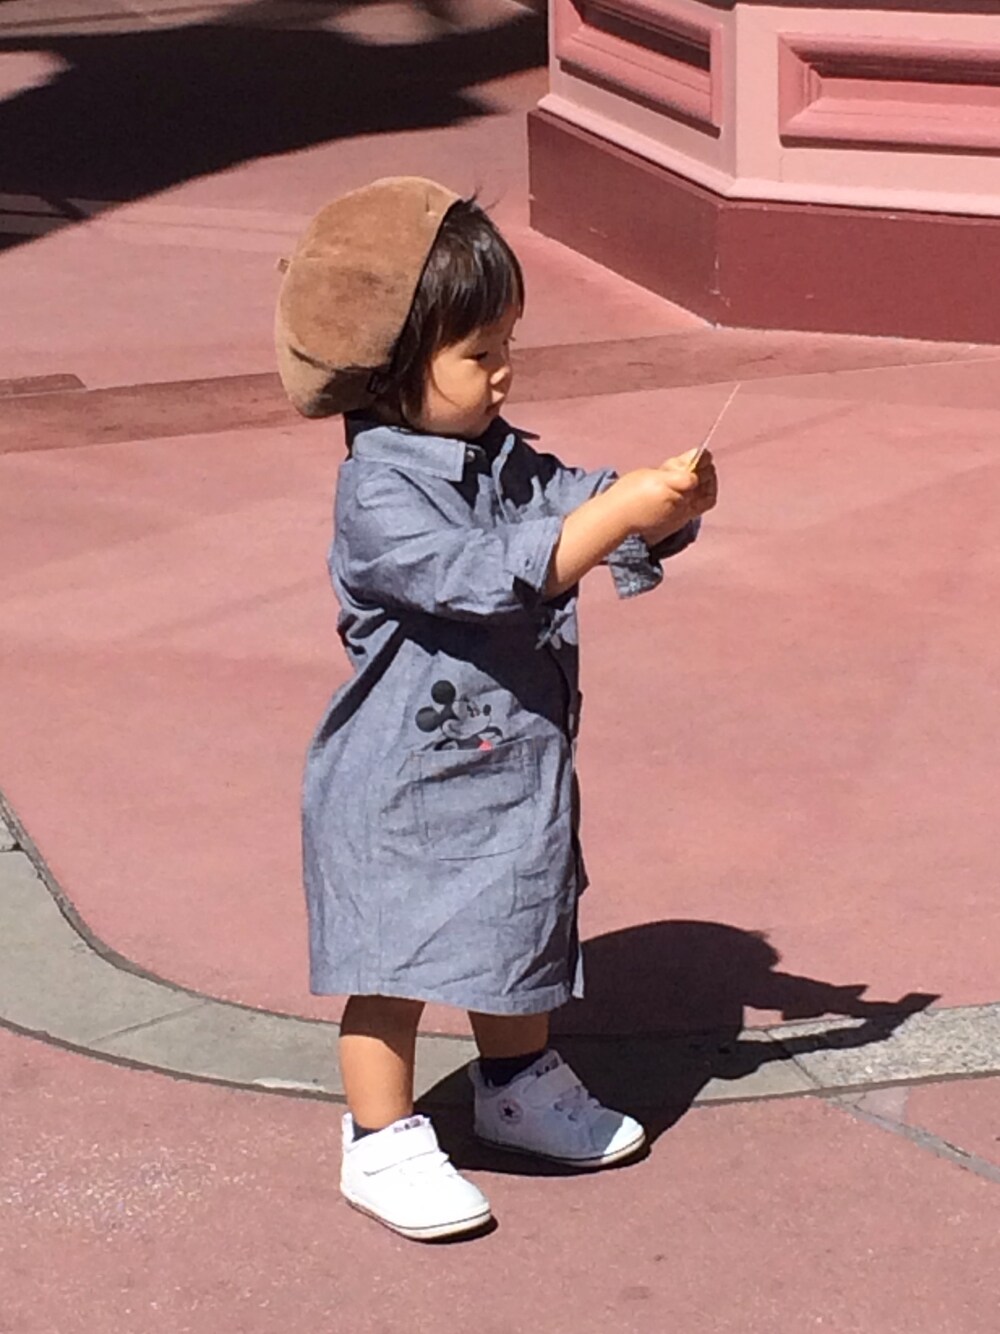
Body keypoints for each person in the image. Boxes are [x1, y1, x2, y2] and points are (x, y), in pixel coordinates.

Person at [275, 177, 718, 1241]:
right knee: (390, 965)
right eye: (478, 353)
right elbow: (485, 574)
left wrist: (655, 508)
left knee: (516, 923)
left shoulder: (501, 454)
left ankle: (516, 1082)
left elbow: (572, 500)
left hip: (511, 767)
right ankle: (379, 1138)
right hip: (401, 784)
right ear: (390, 364)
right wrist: (612, 516)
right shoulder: (380, 489)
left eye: (507, 342)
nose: (504, 370)